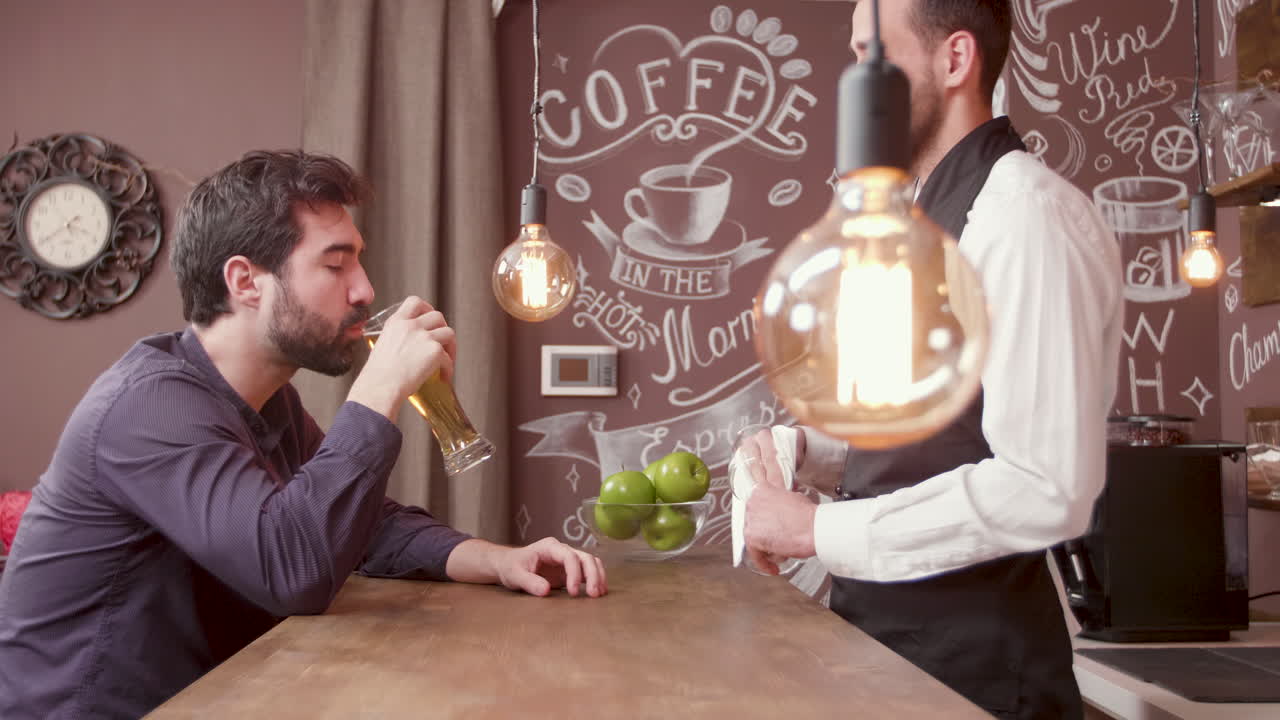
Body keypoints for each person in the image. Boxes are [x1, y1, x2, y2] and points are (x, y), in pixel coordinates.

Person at [0, 150, 607, 719]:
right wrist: (380, 386)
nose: (365, 289)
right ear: (245, 281)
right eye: (336, 264)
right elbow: (294, 569)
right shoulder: (148, 406)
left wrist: (500, 561)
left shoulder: (268, 403)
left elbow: (364, 525)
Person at [741, 1, 1122, 718]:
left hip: (976, 682)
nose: (855, 83)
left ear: (954, 61)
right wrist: (811, 454)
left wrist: (813, 530)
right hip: (891, 663)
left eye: (871, 56)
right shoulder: (930, 215)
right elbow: (945, 424)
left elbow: (1043, 486)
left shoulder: (1024, 218)